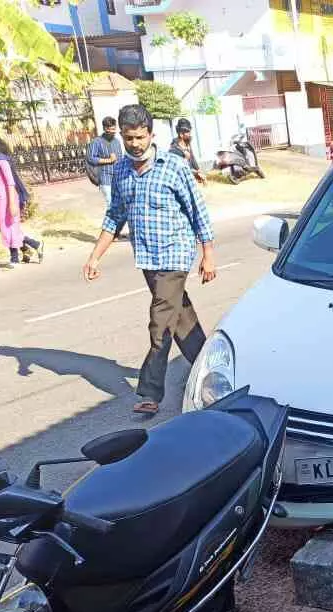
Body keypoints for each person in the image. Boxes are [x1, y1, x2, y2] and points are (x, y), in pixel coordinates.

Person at [82, 104, 216, 416]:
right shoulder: (121, 171)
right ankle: (212, 369)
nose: (135, 144)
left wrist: (208, 253)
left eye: (140, 137)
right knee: (181, 319)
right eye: (129, 138)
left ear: (151, 135)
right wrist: (95, 256)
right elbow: (114, 216)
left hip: (175, 254)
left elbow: (198, 211)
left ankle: (150, 392)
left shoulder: (174, 167)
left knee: (160, 323)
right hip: (147, 259)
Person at [0, 131, 43, 268]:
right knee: (4, 228)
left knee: (9, 227)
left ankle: (14, 259)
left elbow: (10, 182)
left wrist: (13, 203)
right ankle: (35, 244)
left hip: (7, 197)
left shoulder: (1, 160)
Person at [88, 117, 127, 241]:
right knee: (111, 205)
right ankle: (109, 233)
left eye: (114, 129)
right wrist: (107, 160)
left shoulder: (116, 141)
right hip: (105, 177)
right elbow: (90, 158)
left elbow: (120, 157)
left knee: (121, 205)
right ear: (105, 128)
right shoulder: (97, 142)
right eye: (110, 129)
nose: (112, 131)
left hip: (117, 177)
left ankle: (116, 231)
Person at [169, 118, 207, 184]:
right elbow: (180, 170)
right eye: (188, 133)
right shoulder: (174, 150)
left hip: (191, 179)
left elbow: (192, 158)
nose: (190, 134)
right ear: (181, 134)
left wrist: (198, 170)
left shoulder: (187, 144)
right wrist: (195, 173)